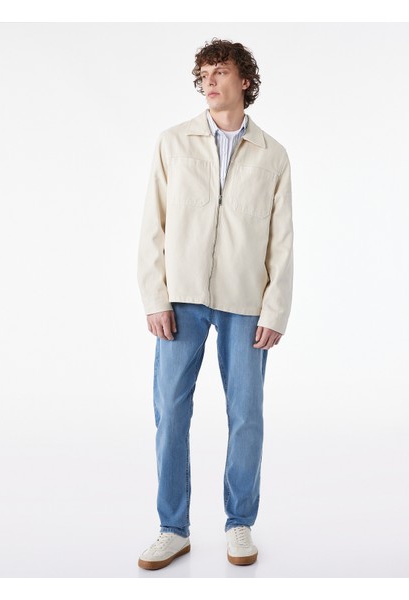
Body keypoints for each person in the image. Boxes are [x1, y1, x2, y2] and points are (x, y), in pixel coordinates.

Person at [136, 37, 294, 570]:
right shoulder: (173, 143)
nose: (209, 81)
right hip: (180, 300)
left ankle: (239, 522)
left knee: (246, 415)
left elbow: (282, 241)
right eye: (203, 73)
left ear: (244, 80)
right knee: (170, 412)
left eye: (220, 71)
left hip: (245, 301)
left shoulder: (273, 155)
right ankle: (172, 528)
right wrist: (155, 297)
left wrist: (275, 309)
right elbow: (152, 226)